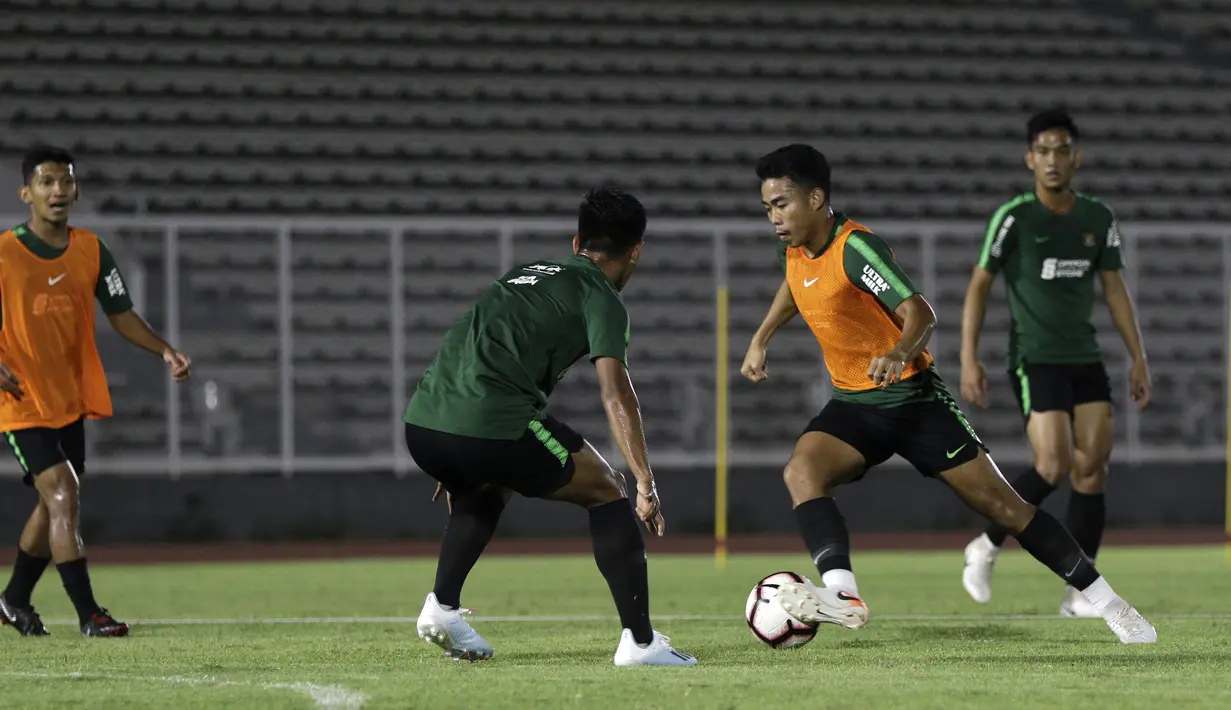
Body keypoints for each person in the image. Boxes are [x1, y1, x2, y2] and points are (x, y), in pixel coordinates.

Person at [740, 144, 1155, 644]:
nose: (774, 217)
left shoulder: (856, 248)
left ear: (816, 198)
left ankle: (1112, 605)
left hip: (916, 403)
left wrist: (897, 352)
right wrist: (762, 336)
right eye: (767, 208)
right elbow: (797, 284)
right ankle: (843, 593)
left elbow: (921, 313)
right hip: (856, 405)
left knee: (1009, 510)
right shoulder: (795, 250)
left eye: (782, 204)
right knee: (801, 471)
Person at [403, 187, 696, 666]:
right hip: (485, 422)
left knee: (493, 483)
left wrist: (454, 441)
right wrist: (645, 478)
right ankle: (641, 645)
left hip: (424, 420)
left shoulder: (523, 273)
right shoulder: (602, 297)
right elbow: (615, 392)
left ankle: (443, 609)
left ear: (576, 242)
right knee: (608, 490)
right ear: (636, 250)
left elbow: (468, 339)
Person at [958, 109, 1151, 617]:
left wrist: (1139, 358)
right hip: (1035, 358)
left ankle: (1080, 594)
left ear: (1076, 157)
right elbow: (980, 284)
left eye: (1061, 150)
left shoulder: (1097, 218)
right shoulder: (1015, 218)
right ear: (1029, 159)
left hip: (1084, 358)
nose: (1052, 159)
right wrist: (968, 358)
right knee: (1053, 465)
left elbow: (1114, 288)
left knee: (1093, 469)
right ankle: (984, 545)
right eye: (1042, 151)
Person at [0, 146, 192, 637]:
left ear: (76, 188)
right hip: (21, 401)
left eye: (65, 181)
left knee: (52, 505)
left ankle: (14, 599)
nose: (57, 191)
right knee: (64, 494)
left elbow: (121, 313)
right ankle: (89, 615)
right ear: (26, 194)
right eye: (46, 182)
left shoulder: (91, 250)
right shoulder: (4, 252)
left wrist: (163, 350)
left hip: (68, 400)